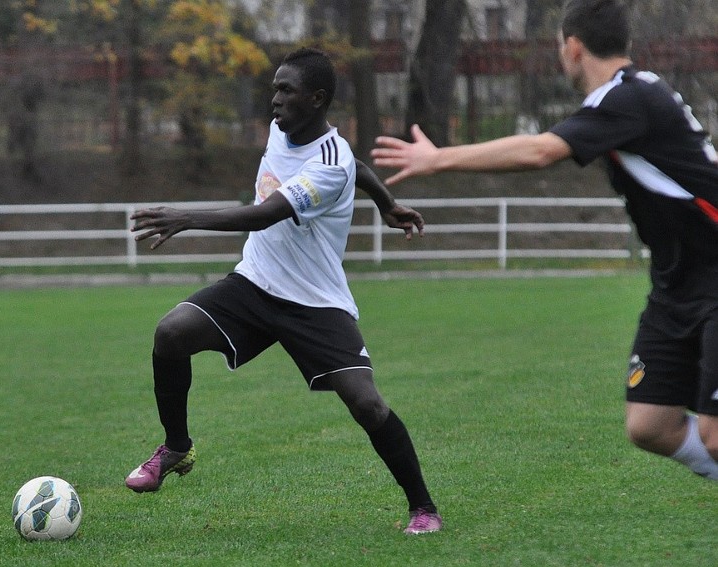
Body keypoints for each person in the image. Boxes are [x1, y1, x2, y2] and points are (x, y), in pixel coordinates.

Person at [372, 0, 718, 481]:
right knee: (650, 424)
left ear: (573, 48)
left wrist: (439, 158)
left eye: (559, 46)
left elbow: (539, 151)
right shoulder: (626, 98)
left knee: (714, 434)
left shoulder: (628, 99)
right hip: (677, 284)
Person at [125, 47, 443, 534]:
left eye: (285, 90)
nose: (274, 100)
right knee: (171, 333)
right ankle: (175, 447)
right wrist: (387, 203)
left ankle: (423, 507)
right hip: (255, 282)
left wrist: (187, 217)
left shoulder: (329, 163)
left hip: (314, 302)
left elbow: (268, 211)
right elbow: (360, 167)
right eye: (274, 88)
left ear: (316, 99)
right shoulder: (283, 129)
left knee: (367, 404)